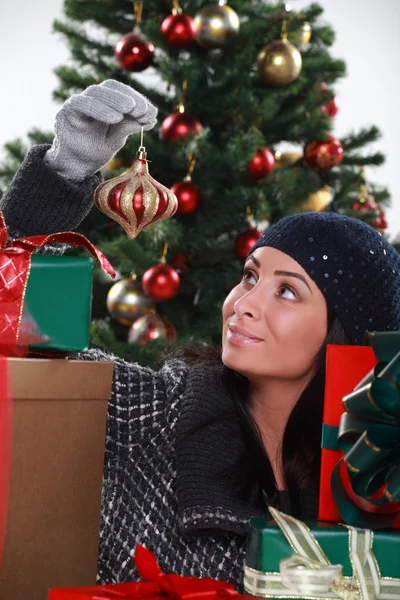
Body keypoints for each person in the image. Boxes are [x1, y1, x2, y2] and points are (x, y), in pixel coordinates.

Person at [1, 80, 400, 587]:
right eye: (251, 276)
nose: (244, 304)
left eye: (288, 292)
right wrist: (63, 174)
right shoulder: (150, 409)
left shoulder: (377, 472)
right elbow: (20, 347)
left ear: (345, 331)